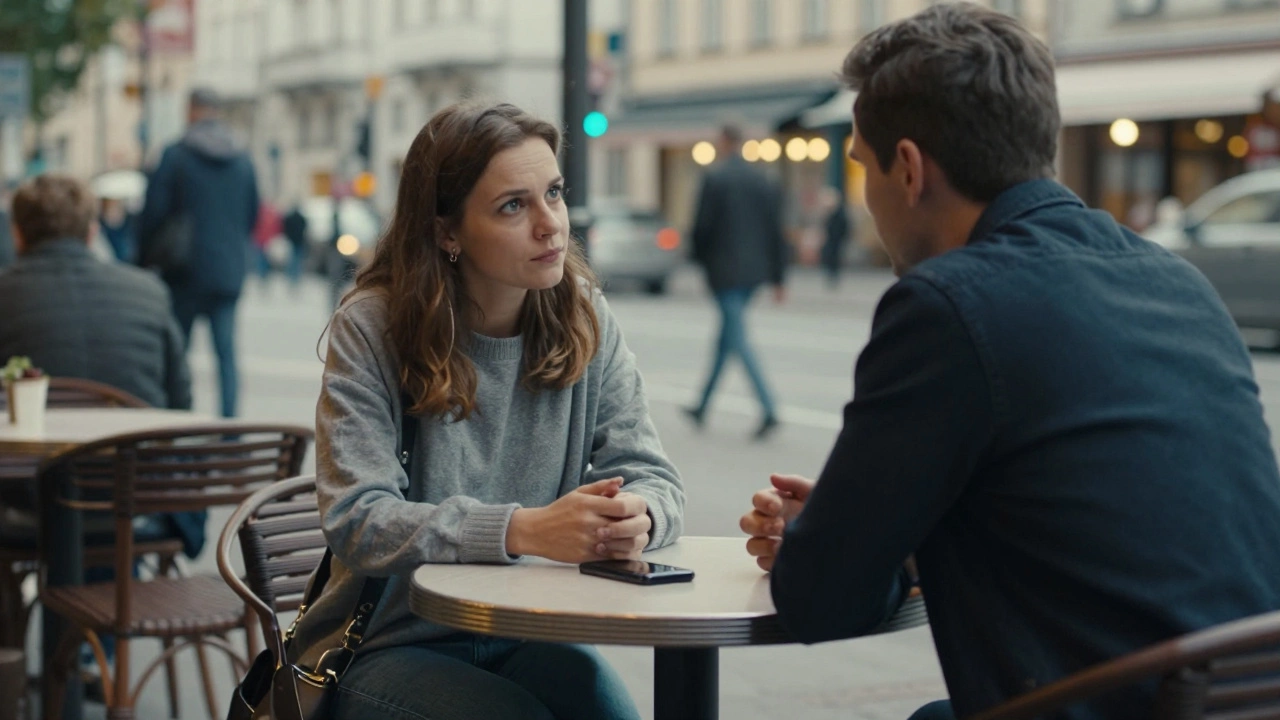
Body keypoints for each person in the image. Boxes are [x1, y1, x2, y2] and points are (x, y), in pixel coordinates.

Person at [739, 5, 1280, 720]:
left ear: (909, 170)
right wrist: (873, 524)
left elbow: (819, 603)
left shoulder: (948, 306)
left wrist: (843, 541)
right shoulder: (1177, 282)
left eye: (863, 167)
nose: (867, 198)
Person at [290, 102, 685, 720]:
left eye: (554, 193)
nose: (550, 225)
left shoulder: (583, 313)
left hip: (525, 632)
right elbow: (357, 518)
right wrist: (521, 530)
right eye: (513, 206)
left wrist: (637, 516)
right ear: (447, 232)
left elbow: (653, 476)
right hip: (385, 646)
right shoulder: (373, 325)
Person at [0, 173, 203, 554]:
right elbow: (180, 402)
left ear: (17, 234)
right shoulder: (148, 291)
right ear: (92, 232)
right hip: (136, 495)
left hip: (28, 499)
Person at [137, 87, 259, 418]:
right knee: (226, 356)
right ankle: (230, 430)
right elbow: (252, 214)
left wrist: (143, 259)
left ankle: (177, 424)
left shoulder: (176, 155)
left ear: (191, 110)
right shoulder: (243, 159)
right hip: (227, 270)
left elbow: (153, 213)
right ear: (217, 111)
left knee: (178, 355)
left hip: (184, 269)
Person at [683, 123, 788, 440]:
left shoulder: (715, 178)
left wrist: (699, 261)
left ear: (724, 141)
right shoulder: (762, 180)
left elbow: (701, 227)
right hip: (754, 272)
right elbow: (775, 230)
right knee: (727, 338)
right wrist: (778, 276)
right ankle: (702, 405)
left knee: (737, 338)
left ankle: (769, 409)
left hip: (724, 271)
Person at [819, 186, 850, 288]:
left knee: (834, 258)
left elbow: (844, 228)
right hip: (831, 240)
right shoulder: (831, 214)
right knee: (830, 258)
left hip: (836, 240)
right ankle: (831, 275)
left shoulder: (840, 214)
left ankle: (834, 276)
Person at [281, 200, 309, 289]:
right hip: (299, 241)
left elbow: (285, 228)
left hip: (292, 241)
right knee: (297, 260)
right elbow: (305, 228)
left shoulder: (290, 217)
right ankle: (295, 276)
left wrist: (288, 236)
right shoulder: (301, 218)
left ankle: (291, 276)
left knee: (292, 260)